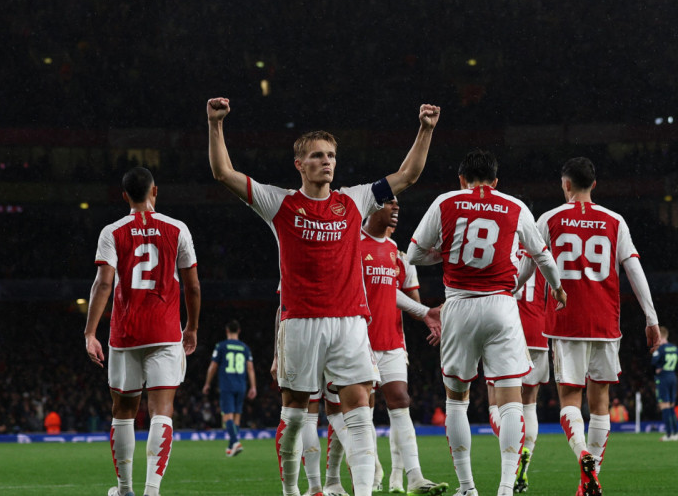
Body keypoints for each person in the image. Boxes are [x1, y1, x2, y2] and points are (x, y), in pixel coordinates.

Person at [207, 97, 440, 496]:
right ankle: (293, 491)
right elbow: (223, 173)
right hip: (299, 322)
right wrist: (215, 125)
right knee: (296, 416)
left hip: (350, 322)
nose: (326, 161)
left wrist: (426, 129)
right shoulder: (279, 202)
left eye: (331, 155)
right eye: (317, 156)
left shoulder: (354, 199)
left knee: (360, 413)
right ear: (299, 164)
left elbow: (409, 174)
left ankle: (362, 493)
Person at [407, 149, 566, 496]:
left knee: (457, 401)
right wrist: (557, 288)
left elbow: (414, 254)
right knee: (512, 402)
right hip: (501, 307)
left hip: (459, 305)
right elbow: (542, 256)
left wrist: (444, 252)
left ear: (461, 179)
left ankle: (467, 488)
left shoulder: (446, 202)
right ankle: (506, 488)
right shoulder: (514, 205)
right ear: (496, 181)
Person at [538, 157, 661, 496]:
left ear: (566, 185)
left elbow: (527, 267)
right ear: (594, 184)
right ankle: (589, 481)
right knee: (601, 400)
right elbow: (634, 270)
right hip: (605, 321)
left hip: (566, 322)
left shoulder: (549, 219)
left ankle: (583, 456)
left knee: (569, 398)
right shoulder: (615, 221)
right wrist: (651, 317)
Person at [84, 167, 201, 496]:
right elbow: (192, 286)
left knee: (123, 411)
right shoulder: (177, 229)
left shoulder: (112, 231)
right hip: (165, 332)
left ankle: (125, 490)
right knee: (162, 410)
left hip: (126, 332)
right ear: (155, 191)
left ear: (124, 196)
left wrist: (90, 332)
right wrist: (191, 327)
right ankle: (152, 490)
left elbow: (104, 283)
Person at [358, 198, 448, 496]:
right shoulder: (352, 245)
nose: (396, 208)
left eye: (399, 204)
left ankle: (413, 476)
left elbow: (412, 301)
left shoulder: (400, 256)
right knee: (362, 411)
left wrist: (428, 319)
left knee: (400, 400)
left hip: (392, 340)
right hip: (357, 341)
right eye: (388, 203)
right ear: (371, 207)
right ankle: (372, 472)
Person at [512, 253, 553, 493]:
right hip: (539, 331)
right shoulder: (541, 252)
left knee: (500, 403)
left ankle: (513, 459)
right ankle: (524, 470)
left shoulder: (504, 243)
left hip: (509, 330)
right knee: (530, 403)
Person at [202, 320, 258, 456]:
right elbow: (250, 368)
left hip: (227, 385)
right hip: (241, 385)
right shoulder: (244, 347)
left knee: (227, 416)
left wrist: (207, 383)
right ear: (239, 331)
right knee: (237, 416)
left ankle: (235, 441)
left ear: (227, 331)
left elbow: (213, 366)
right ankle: (231, 447)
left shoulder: (221, 346)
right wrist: (253, 387)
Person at [650, 326, 678, 441]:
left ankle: (669, 434)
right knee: (671, 406)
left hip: (664, 378)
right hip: (673, 376)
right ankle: (675, 433)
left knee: (664, 406)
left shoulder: (660, 349)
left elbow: (653, 362)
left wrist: (659, 367)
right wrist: (676, 367)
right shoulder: (674, 348)